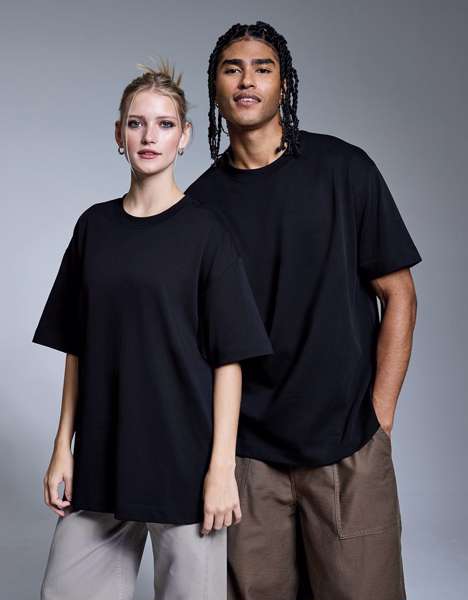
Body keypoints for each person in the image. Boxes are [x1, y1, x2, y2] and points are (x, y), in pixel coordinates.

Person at [186, 21, 422, 600]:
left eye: (262, 68)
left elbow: (399, 294)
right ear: (215, 88)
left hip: (347, 443)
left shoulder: (344, 169)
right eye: (232, 69)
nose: (247, 80)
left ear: (284, 84)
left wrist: (380, 419)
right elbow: (194, 343)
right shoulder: (198, 208)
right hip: (247, 456)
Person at [32, 61, 273, 600]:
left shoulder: (208, 232)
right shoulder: (94, 227)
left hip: (185, 464)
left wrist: (221, 469)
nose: (149, 136)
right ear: (119, 134)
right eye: (137, 123)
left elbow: (229, 360)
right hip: (104, 458)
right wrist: (62, 447)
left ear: (184, 137)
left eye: (164, 124)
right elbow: (76, 347)